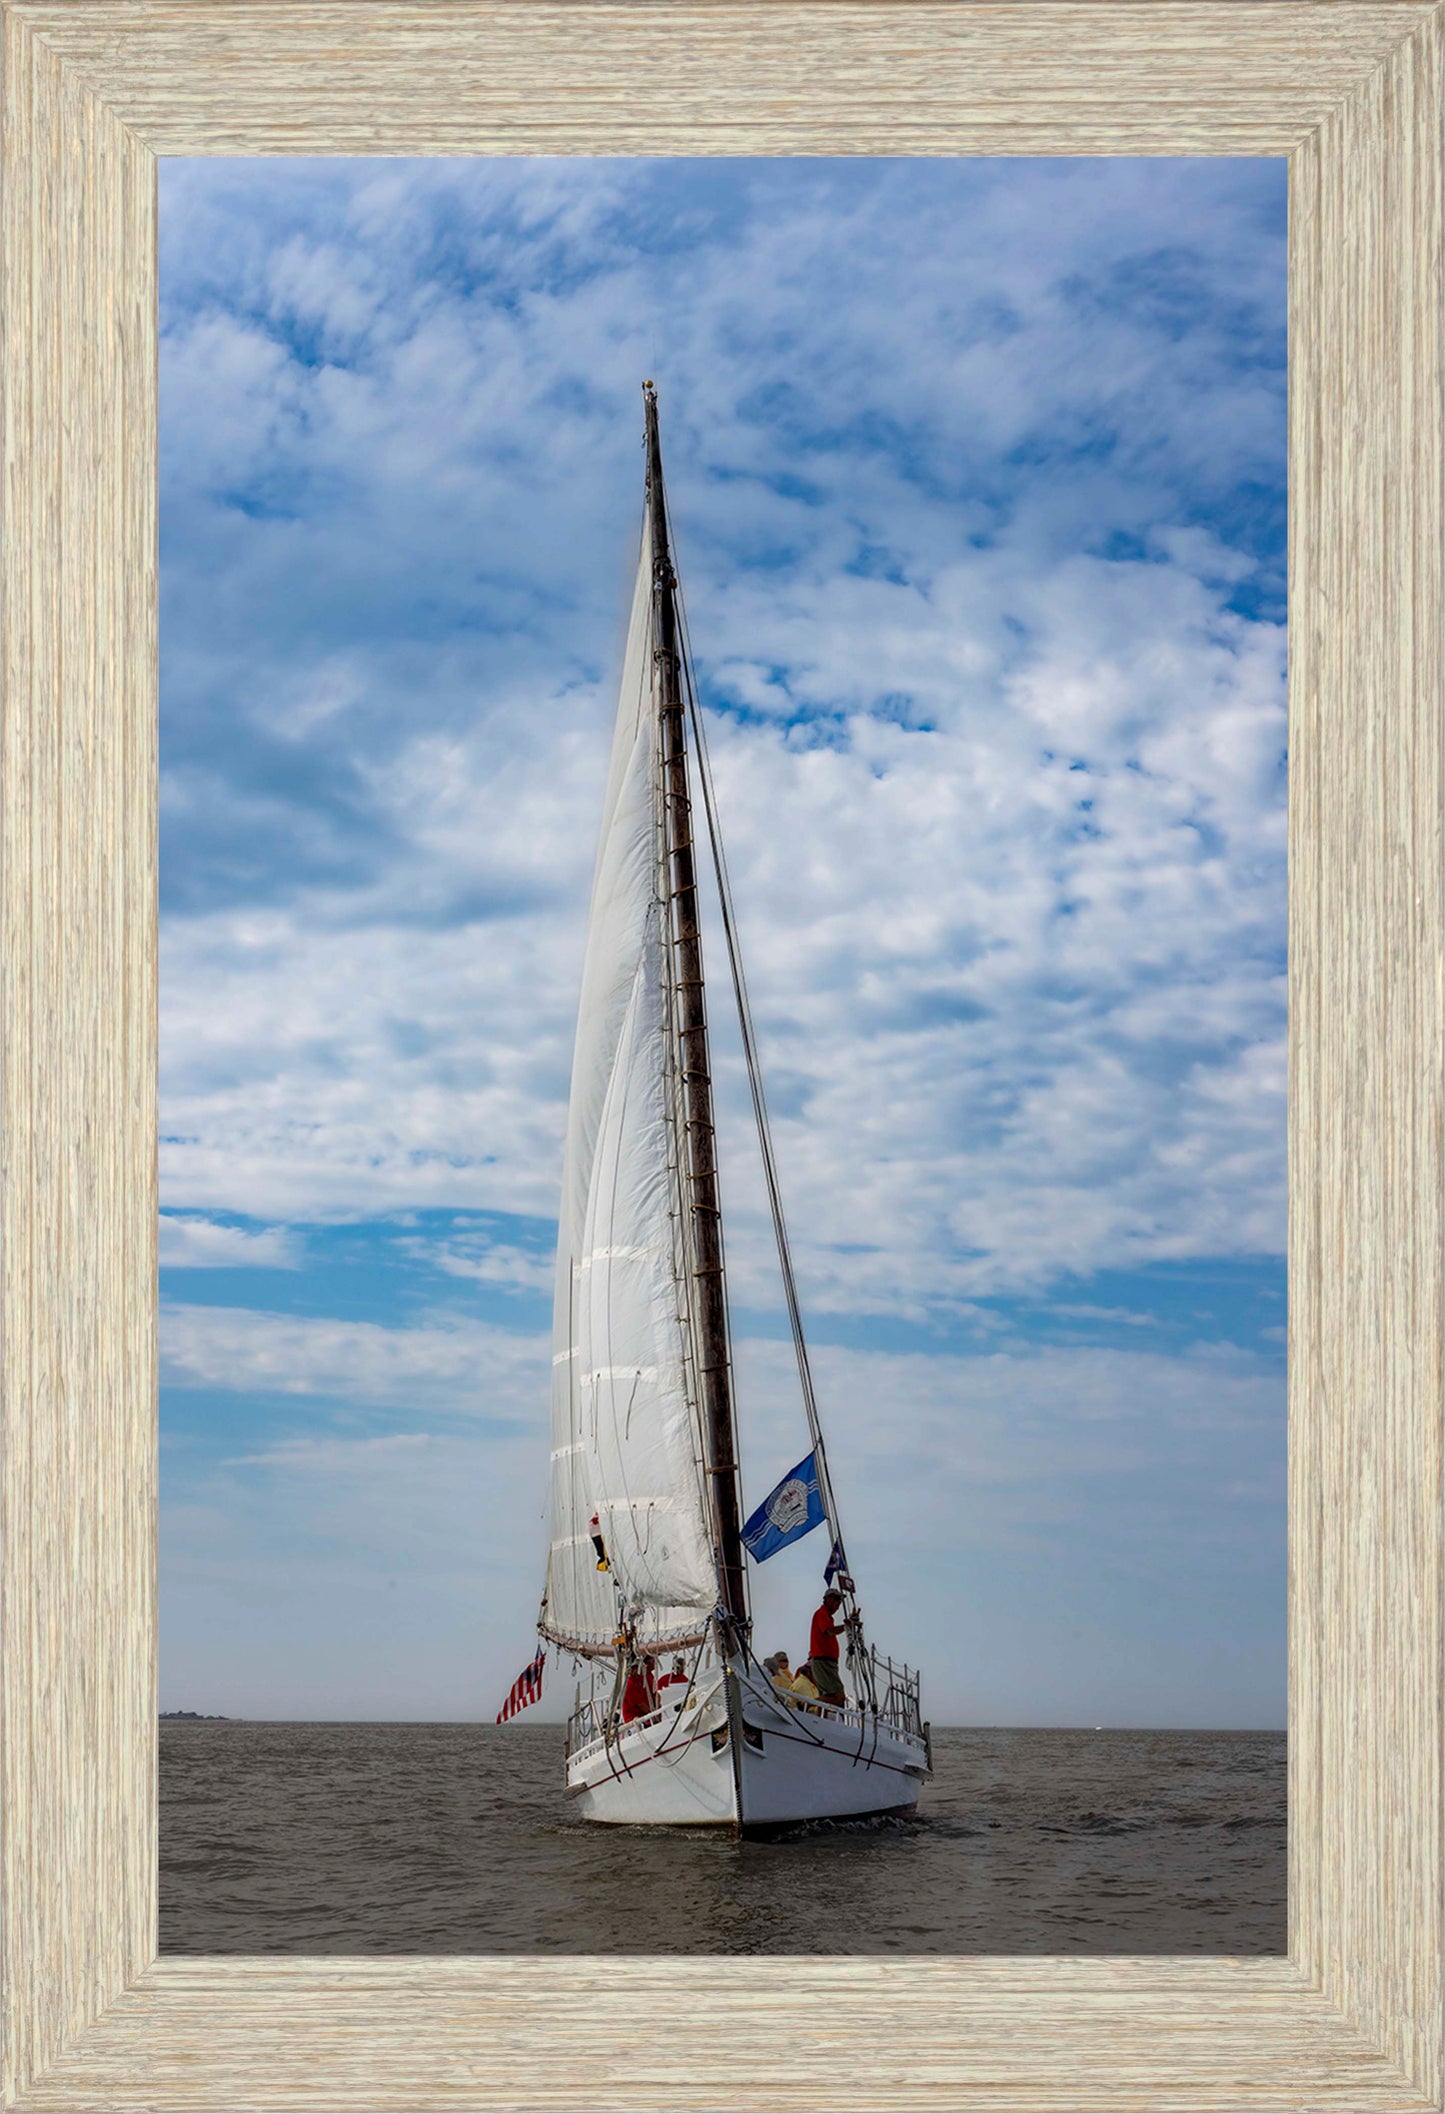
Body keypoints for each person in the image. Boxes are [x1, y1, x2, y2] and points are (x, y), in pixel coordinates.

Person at [808, 1587, 848, 1709]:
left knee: (828, 1696)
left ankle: (819, 1720)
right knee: (838, 1697)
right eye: (836, 1600)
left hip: (825, 1662)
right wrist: (847, 1626)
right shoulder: (821, 1614)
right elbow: (829, 1631)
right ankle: (805, 1704)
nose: (838, 1605)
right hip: (823, 1661)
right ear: (828, 1599)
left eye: (839, 1602)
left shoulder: (826, 1616)